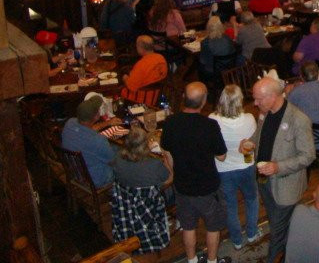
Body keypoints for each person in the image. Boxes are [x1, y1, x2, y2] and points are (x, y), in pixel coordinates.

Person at [240, 77, 315, 263]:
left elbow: (308, 156)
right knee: (276, 222)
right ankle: (293, 247)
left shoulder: (299, 120)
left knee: (277, 233)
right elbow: (260, 135)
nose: (254, 103)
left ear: (272, 96)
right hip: (264, 181)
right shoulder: (264, 113)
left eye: (258, 99)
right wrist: (249, 142)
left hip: (285, 187)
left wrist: (278, 167)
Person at [160, 82, 231, 263]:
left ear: (184, 97)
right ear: (204, 101)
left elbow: (165, 151)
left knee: (188, 226)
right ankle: (212, 260)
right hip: (208, 187)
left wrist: (174, 171)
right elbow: (222, 156)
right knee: (213, 227)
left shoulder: (170, 122)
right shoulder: (210, 125)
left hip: (182, 186)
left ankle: (191, 260)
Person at [209, 85, 261, 250]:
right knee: (251, 199)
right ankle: (252, 233)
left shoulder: (212, 119)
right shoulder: (249, 119)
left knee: (230, 206)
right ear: (240, 100)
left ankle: (237, 240)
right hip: (246, 166)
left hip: (223, 170)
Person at [111, 125, 174, 254]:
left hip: (126, 201)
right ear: (145, 146)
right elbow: (169, 179)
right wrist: (166, 156)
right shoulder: (154, 165)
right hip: (149, 205)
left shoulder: (117, 159)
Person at [61, 96, 119, 188]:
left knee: (115, 148)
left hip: (75, 171)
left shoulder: (70, 123)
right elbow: (113, 162)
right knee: (124, 157)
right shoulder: (98, 140)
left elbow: (88, 129)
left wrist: (108, 123)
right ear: (96, 116)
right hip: (96, 179)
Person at [287, 61, 319, 148]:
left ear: (301, 76)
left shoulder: (297, 92)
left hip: (311, 144)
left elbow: (288, 113)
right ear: (318, 74)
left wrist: (288, 93)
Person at [121, 35, 168, 104]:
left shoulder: (141, 65)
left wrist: (125, 78)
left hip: (140, 99)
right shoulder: (161, 58)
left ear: (140, 48)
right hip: (157, 96)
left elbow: (131, 87)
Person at [199, 16, 236, 81]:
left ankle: (203, 84)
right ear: (221, 26)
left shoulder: (205, 42)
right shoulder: (228, 38)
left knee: (199, 64)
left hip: (213, 72)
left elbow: (203, 61)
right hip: (229, 69)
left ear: (208, 27)